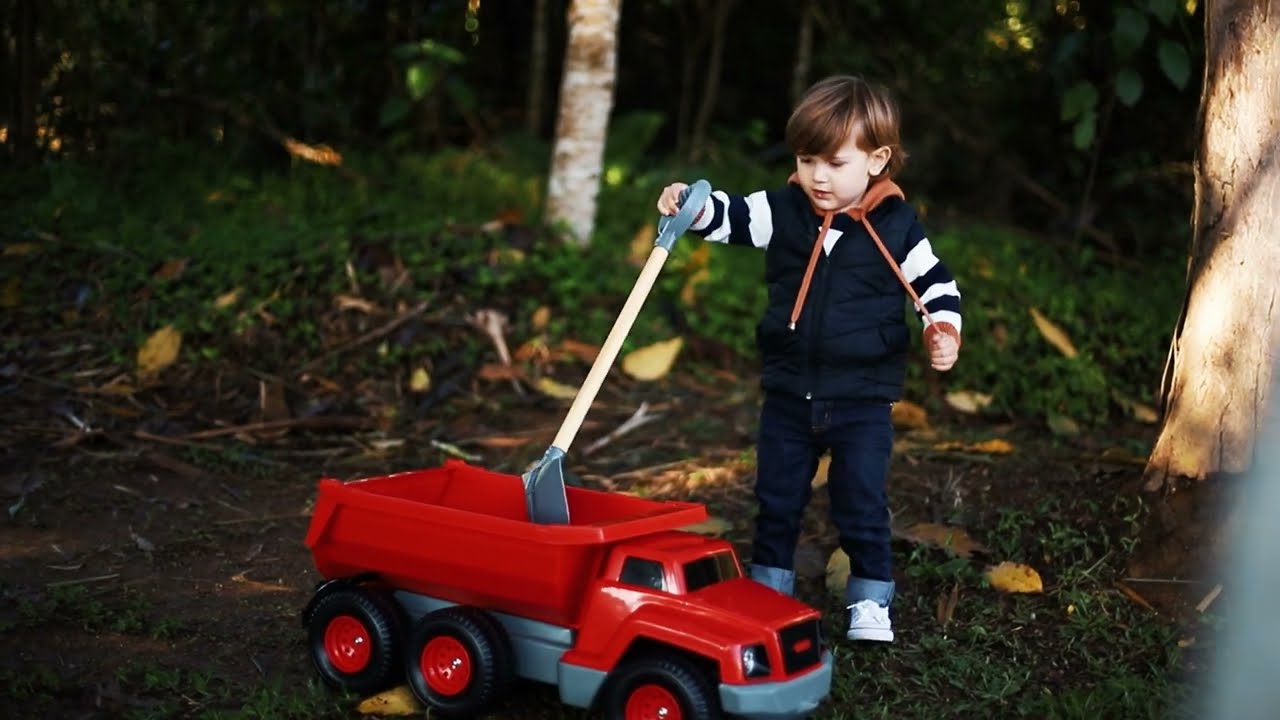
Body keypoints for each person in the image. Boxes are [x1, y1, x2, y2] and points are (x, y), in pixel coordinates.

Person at [656, 75, 962, 642]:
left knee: (861, 496)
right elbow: (732, 217)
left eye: (835, 162)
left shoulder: (897, 226)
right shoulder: (786, 209)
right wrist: (691, 206)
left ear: (877, 161)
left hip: (863, 396)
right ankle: (770, 585)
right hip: (790, 388)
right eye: (805, 160)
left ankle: (870, 594)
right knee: (777, 493)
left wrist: (942, 328)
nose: (818, 176)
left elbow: (936, 284)